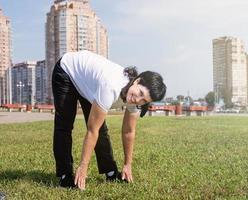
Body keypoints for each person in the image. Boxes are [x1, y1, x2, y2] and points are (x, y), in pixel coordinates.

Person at [52, 50, 166, 190]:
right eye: (140, 93)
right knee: (65, 125)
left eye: (144, 100)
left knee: (101, 127)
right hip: (68, 70)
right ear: (137, 81)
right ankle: (65, 176)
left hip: (88, 82)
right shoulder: (111, 86)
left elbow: (129, 132)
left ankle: (110, 172)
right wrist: (83, 167)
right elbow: (92, 131)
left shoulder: (136, 102)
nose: (138, 99)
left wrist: (127, 165)